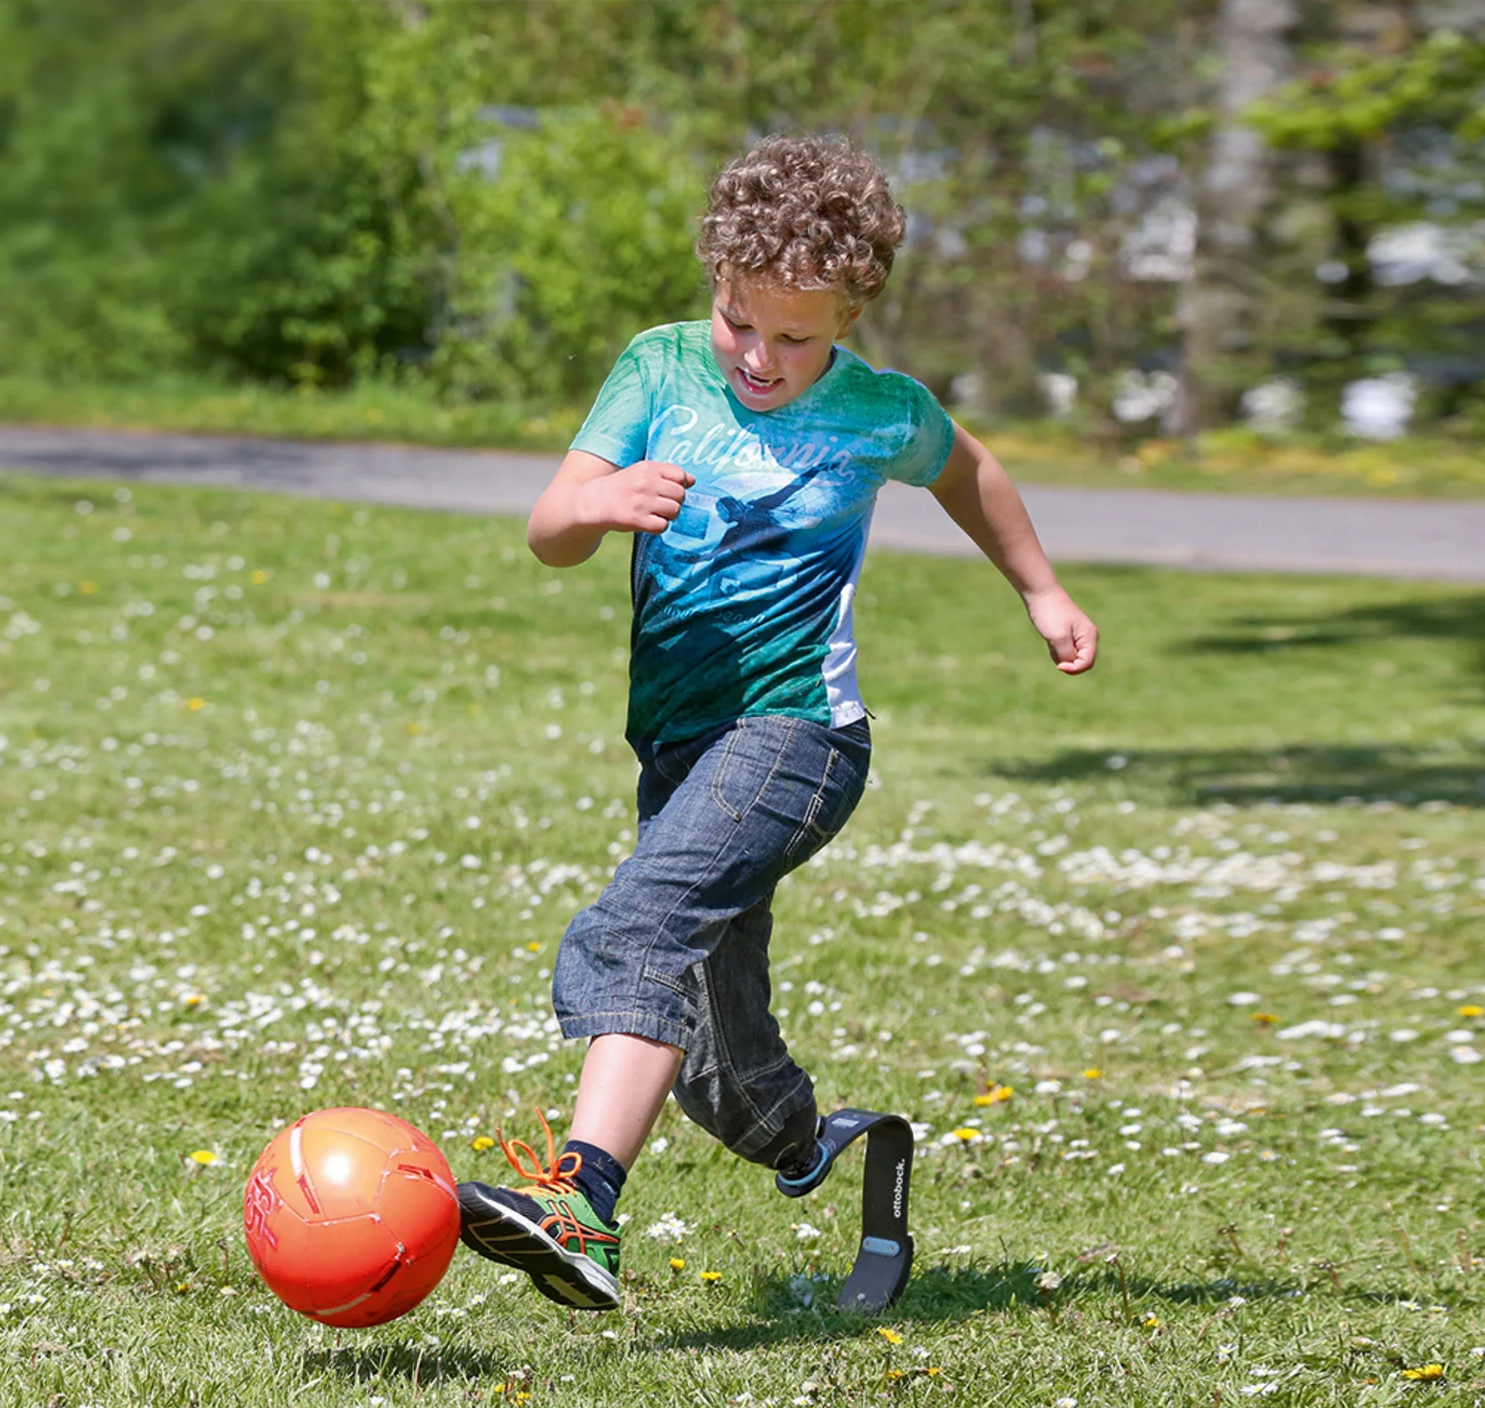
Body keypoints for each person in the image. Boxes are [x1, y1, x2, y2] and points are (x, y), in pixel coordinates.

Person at [455, 134, 1098, 1312]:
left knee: (632, 931)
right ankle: (810, 1138)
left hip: (800, 737)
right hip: (682, 748)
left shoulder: (875, 413)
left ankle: (582, 1208)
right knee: (708, 1043)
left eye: (796, 336)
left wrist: (1039, 587)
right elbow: (549, 526)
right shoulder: (655, 370)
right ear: (717, 280)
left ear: (854, 311)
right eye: (739, 322)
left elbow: (972, 474)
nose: (759, 356)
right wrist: (598, 502)